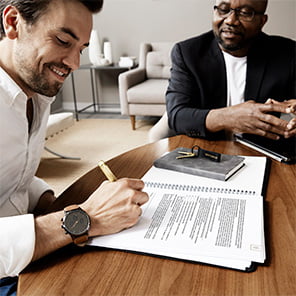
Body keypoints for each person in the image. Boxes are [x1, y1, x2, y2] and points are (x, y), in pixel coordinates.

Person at [0, 0, 149, 293]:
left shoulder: (36, 93)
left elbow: (13, 177)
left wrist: (49, 202)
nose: (75, 63)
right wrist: (84, 218)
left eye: (80, 48)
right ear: (13, 22)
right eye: (63, 41)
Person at [166, 0, 296, 140]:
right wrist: (229, 117)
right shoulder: (188, 53)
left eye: (245, 13)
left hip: (266, 152)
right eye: (223, 9)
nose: (230, 20)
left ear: (262, 21)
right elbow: (177, 116)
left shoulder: (289, 53)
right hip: (207, 151)